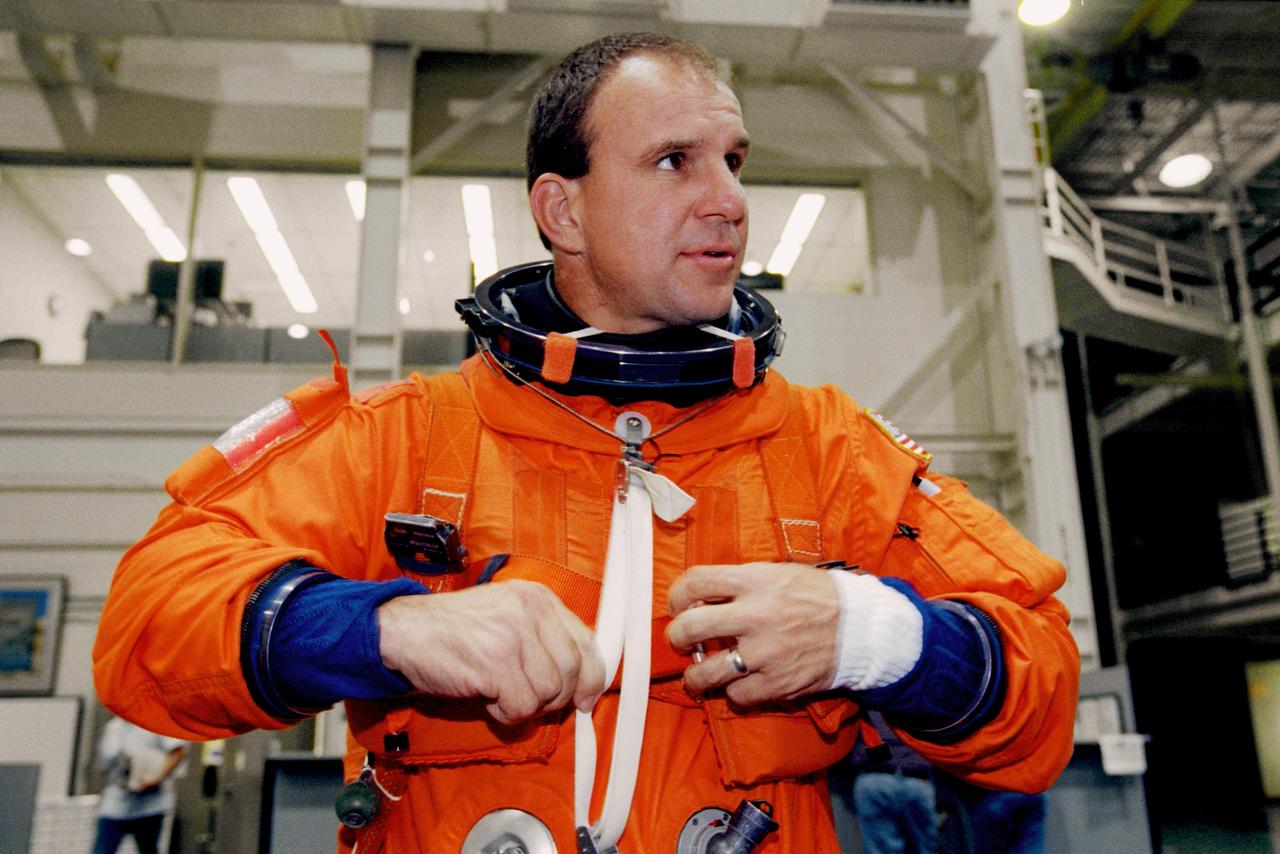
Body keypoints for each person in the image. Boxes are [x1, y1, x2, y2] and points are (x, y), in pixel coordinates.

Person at [93, 32, 1079, 854]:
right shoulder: (407, 436)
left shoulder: (824, 446)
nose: (728, 199)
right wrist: (382, 628)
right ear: (561, 208)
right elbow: (145, 625)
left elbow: (1040, 696)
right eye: (672, 160)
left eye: (733, 160)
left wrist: (874, 635)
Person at [844, 712, 939, 854]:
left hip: (882, 777)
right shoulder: (917, 698)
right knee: (926, 848)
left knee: (883, 849)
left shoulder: (863, 700)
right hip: (909, 778)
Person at [92, 715, 187, 854]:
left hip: (149, 806)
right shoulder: (113, 727)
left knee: (148, 849)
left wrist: (155, 778)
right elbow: (104, 765)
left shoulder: (157, 722)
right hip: (116, 801)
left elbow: (178, 752)